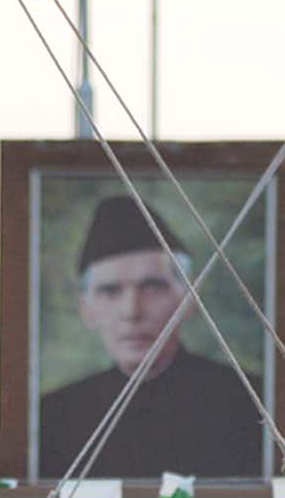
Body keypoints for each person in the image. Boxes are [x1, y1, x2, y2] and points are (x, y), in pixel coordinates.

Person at [33, 191, 266, 477]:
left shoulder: (248, 404)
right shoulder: (53, 417)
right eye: (110, 291)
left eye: (152, 287)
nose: (132, 312)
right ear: (87, 310)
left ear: (189, 299)